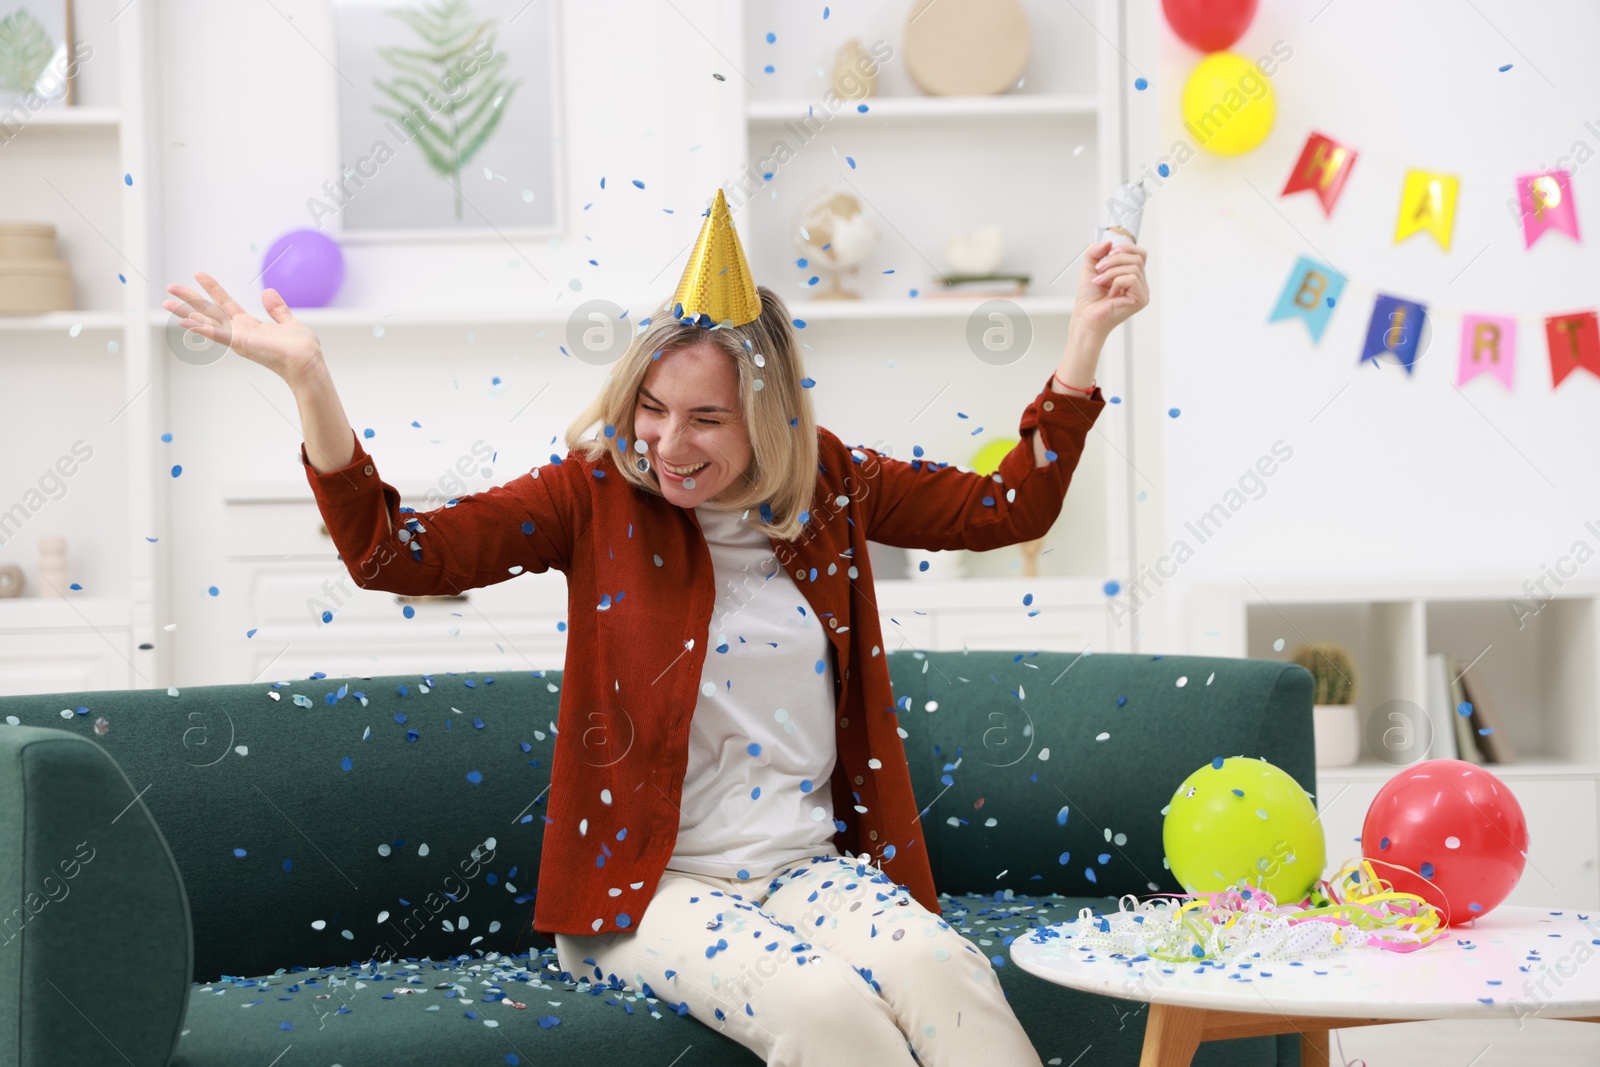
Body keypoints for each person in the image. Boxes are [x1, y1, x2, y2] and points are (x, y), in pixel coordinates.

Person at [162, 190, 1149, 1065]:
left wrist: (1084, 343)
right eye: (650, 406)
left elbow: (1007, 511)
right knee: (826, 1009)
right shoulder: (591, 494)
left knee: (946, 969)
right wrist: (308, 379)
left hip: (806, 868)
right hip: (643, 891)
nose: (667, 444)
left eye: (706, 419)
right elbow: (396, 554)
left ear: (769, 419)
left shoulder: (835, 482)